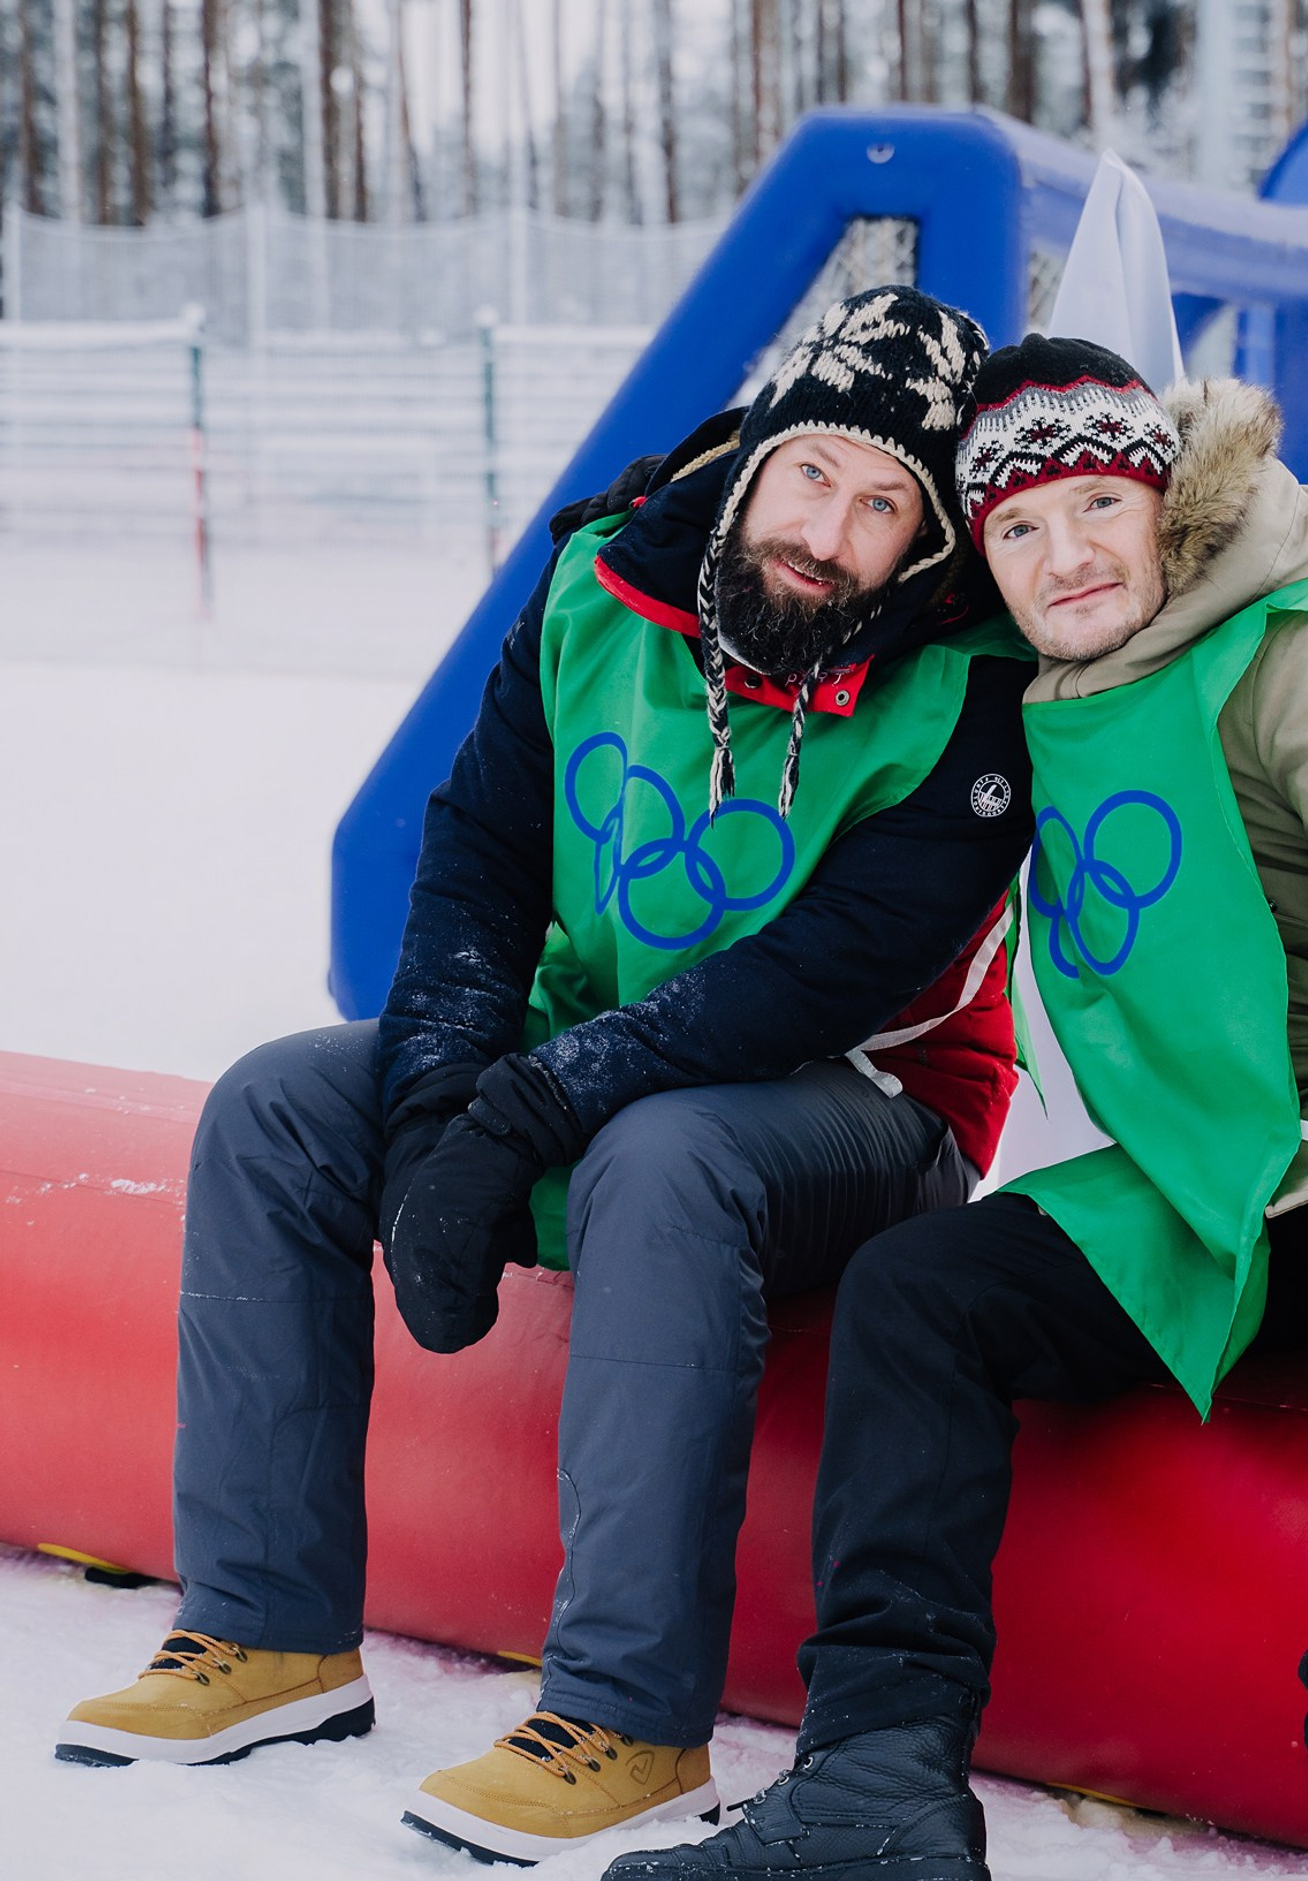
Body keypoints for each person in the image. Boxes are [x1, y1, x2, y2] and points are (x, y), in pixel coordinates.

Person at [611, 337, 1308, 1881]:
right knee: (921, 1293)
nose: (1063, 554)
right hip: (1218, 1165)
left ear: (1172, 508)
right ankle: (877, 1776)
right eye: (1017, 529)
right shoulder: (1056, 693)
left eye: (1097, 504)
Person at [56, 288, 1039, 1869]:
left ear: (923, 551)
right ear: (759, 455)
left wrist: (513, 1115)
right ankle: (266, 1631)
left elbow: (809, 984)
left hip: (861, 1106)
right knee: (275, 1107)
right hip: (584, 1044)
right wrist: (444, 1089)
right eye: (813, 476)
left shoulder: (967, 694)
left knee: (665, 1158)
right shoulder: (602, 577)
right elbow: (484, 855)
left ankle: (630, 1723)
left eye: (883, 511)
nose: (826, 533)